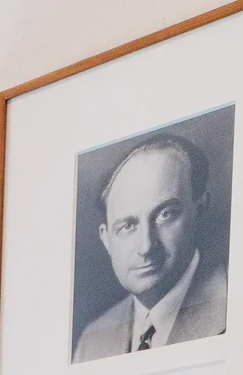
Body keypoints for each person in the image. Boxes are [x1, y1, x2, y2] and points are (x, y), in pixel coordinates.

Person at [74, 133, 228, 361]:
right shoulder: (92, 341)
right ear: (107, 240)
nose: (146, 246)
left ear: (200, 210)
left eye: (165, 215)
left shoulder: (238, 309)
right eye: (127, 226)